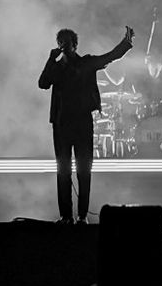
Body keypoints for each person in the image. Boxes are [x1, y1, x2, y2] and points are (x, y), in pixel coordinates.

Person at [38, 25, 133, 224]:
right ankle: (66, 216)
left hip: (82, 122)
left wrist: (126, 43)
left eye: (68, 43)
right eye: (61, 43)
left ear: (75, 44)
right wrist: (50, 59)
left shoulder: (86, 63)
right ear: (58, 45)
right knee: (63, 171)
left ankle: (81, 216)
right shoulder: (56, 68)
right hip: (62, 124)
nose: (65, 47)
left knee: (83, 170)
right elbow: (43, 83)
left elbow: (109, 56)